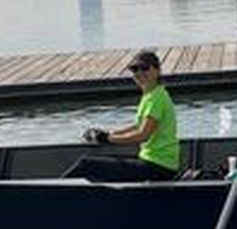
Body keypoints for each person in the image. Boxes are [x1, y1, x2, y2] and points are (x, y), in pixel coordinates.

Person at [68, 50, 179, 181]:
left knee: (86, 164)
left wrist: (108, 139)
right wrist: (109, 133)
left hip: (159, 167)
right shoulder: (151, 95)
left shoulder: (157, 98)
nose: (139, 73)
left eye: (144, 68)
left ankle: (49, 192)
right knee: (101, 167)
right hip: (153, 162)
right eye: (134, 69)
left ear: (157, 71)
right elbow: (138, 125)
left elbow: (143, 135)